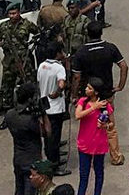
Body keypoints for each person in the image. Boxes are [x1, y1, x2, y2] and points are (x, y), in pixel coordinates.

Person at [73, 80, 113, 195]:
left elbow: (112, 123)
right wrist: (93, 107)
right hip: (84, 144)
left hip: (99, 144)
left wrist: (105, 125)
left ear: (95, 92)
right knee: (84, 175)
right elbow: (77, 115)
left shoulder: (105, 106)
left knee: (99, 173)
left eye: (89, 88)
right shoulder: (83, 102)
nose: (86, 89)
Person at [37, 44, 71, 172]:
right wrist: (57, 92)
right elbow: (61, 84)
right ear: (57, 53)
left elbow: (39, 82)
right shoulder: (58, 68)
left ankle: (50, 160)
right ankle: (55, 166)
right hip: (55, 107)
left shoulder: (42, 66)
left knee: (47, 136)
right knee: (55, 137)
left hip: (45, 105)